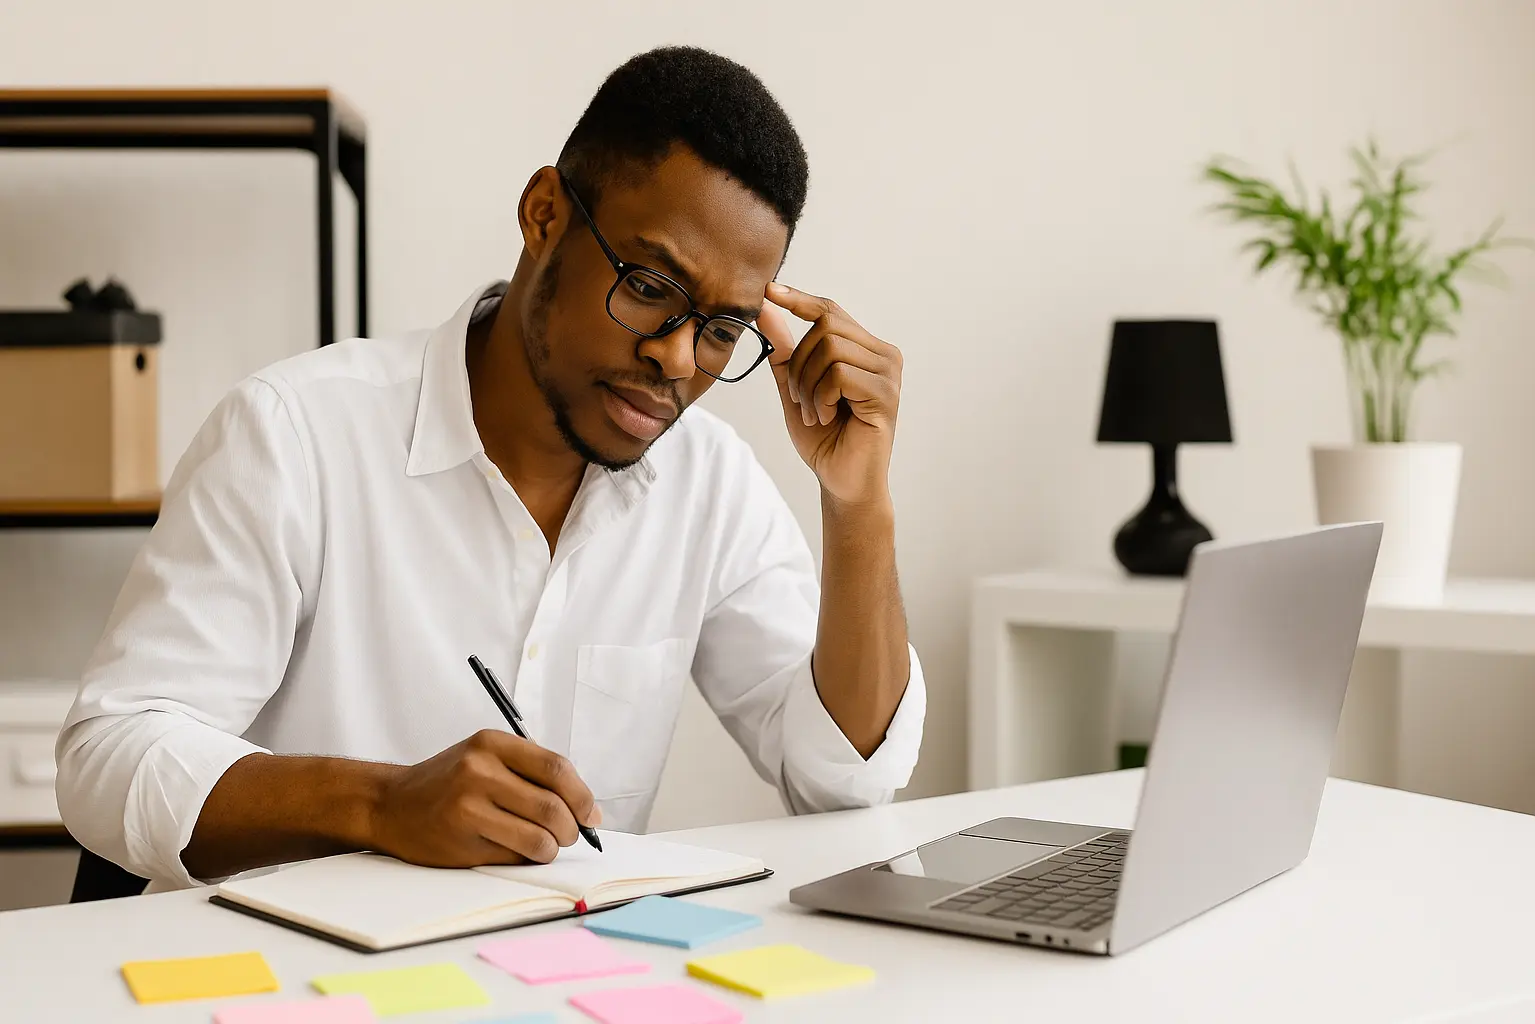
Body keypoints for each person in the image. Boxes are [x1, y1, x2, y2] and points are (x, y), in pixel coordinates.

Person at [55, 45, 924, 890]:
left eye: (722, 329)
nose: (676, 358)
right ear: (545, 214)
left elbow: (841, 781)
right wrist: (381, 804)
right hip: (291, 978)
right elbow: (110, 753)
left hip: (557, 980)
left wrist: (860, 504)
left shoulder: (710, 484)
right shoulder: (296, 435)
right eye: (651, 287)